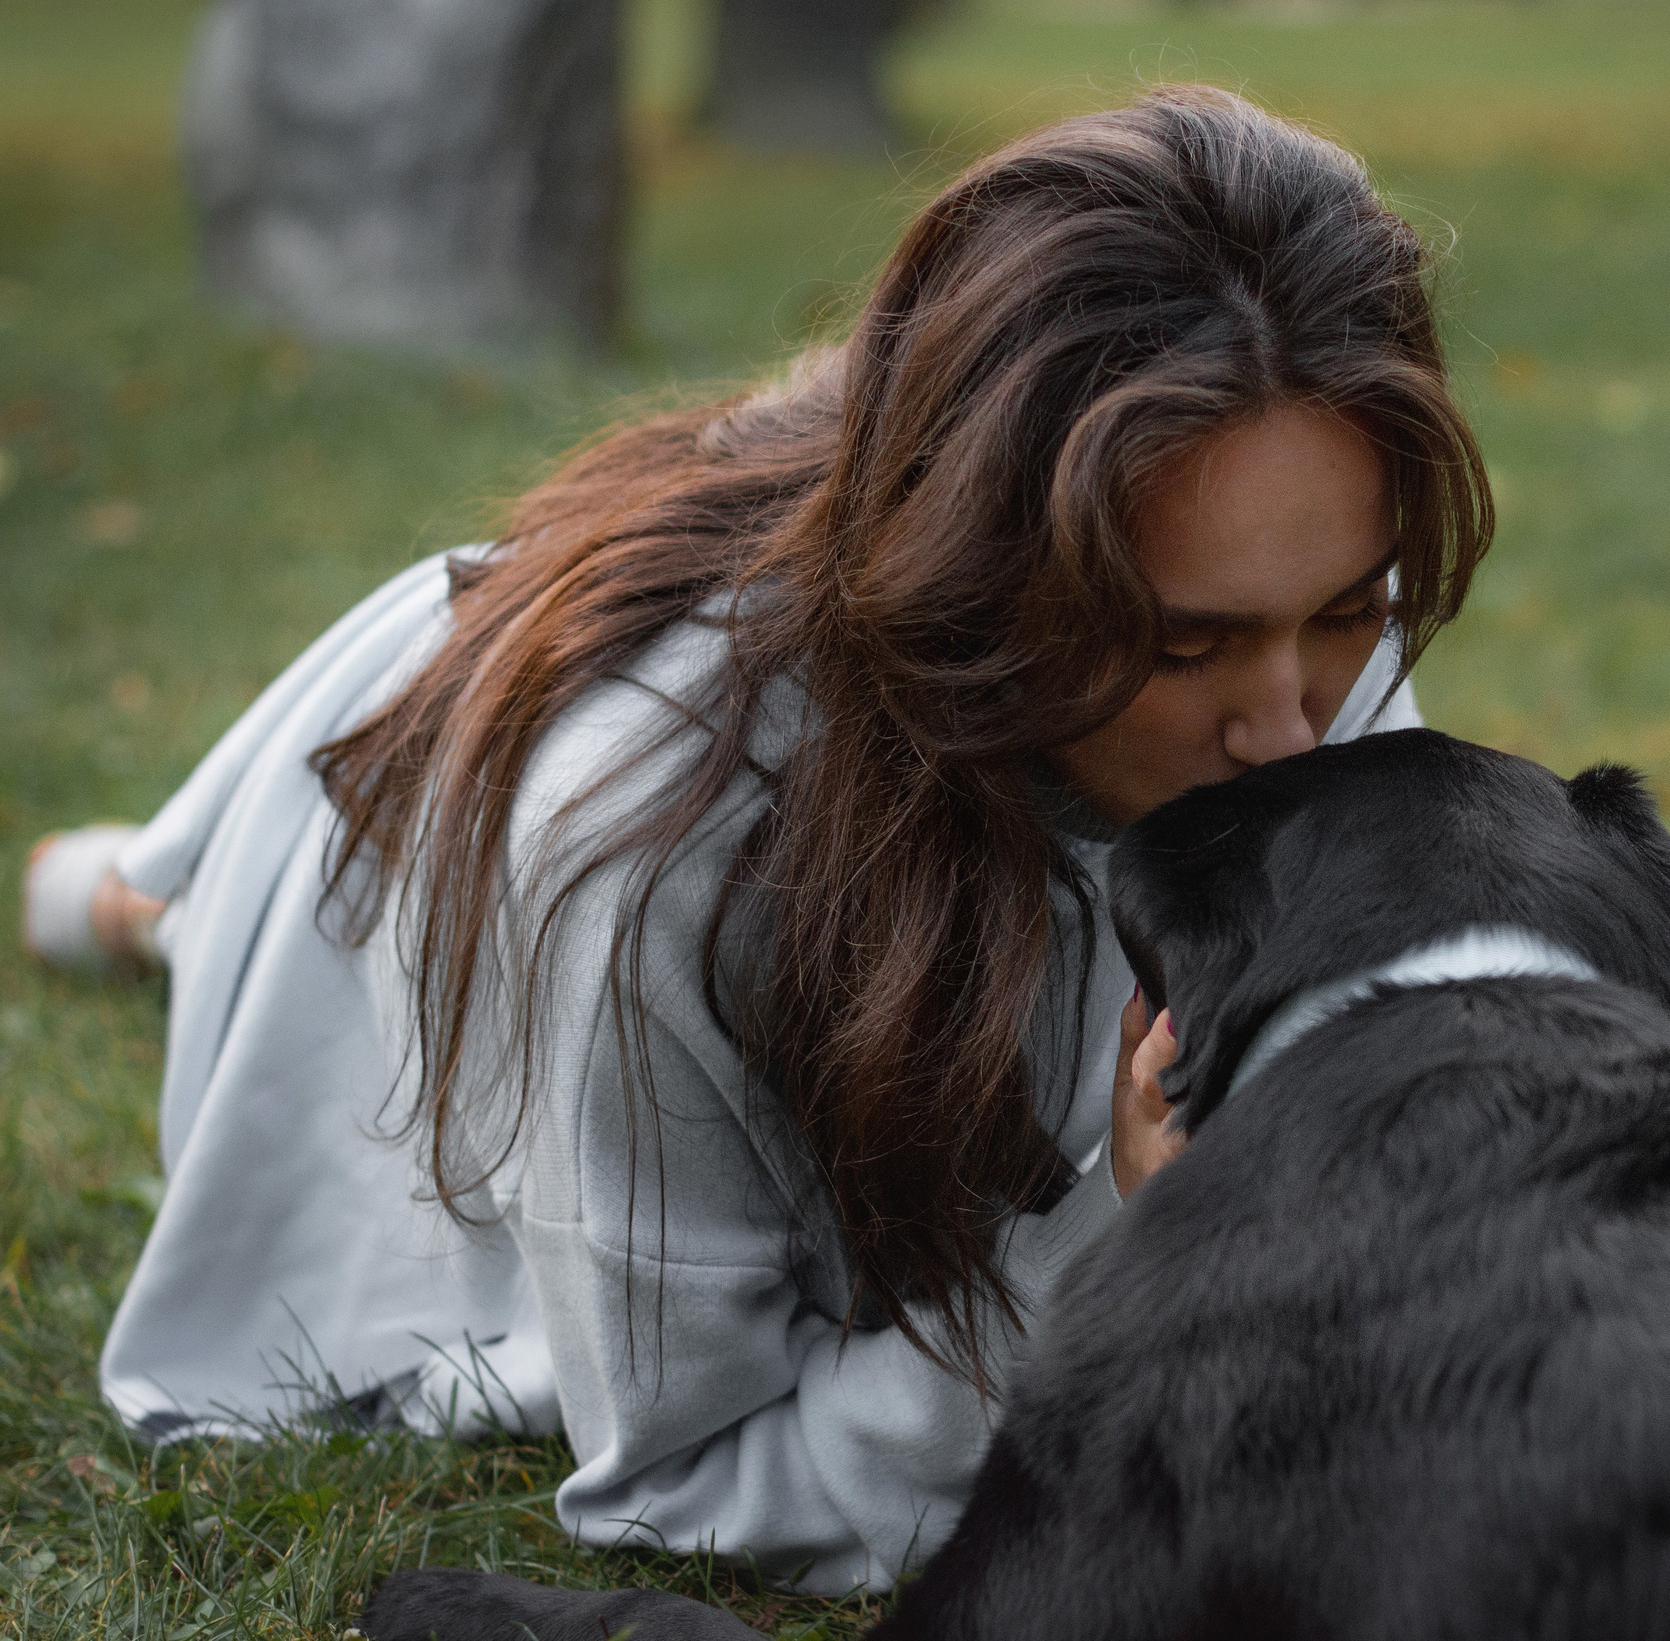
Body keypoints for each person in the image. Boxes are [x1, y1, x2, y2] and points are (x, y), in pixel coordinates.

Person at [17, 87, 1493, 1592]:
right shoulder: (645, 843)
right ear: (991, 588)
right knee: (261, 952)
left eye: (1352, 613)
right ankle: (142, 904)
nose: (1295, 732)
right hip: (423, 805)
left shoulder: (1286, 650)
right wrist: (1115, 1251)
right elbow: (690, 1477)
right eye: (1184, 650)